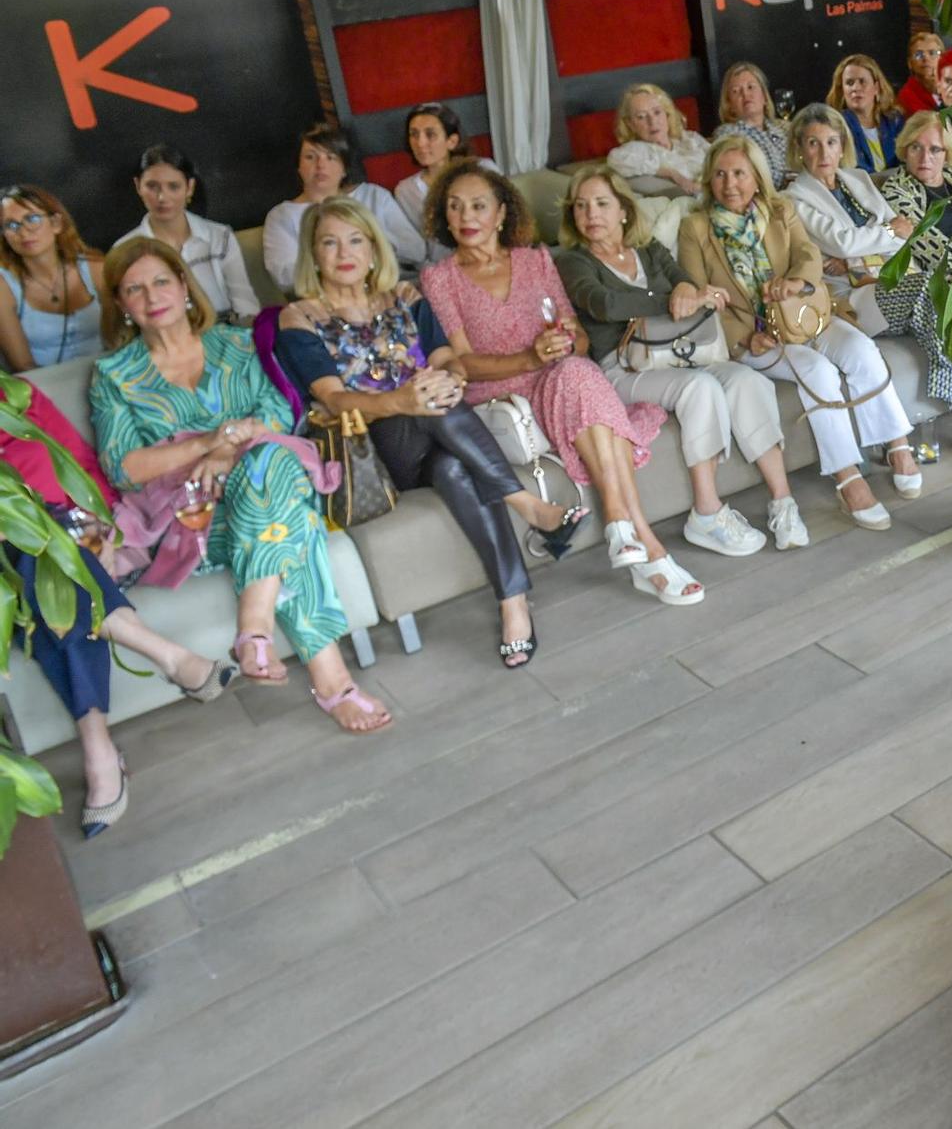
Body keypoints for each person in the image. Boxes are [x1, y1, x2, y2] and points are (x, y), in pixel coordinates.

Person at [90, 238, 390, 734]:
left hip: (261, 482)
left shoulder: (235, 342)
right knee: (293, 520)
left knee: (271, 465)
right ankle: (330, 681)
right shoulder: (114, 375)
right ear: (122, 305)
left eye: (161, 281)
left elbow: (275, 414)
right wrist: (209, 442)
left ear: (185, 286)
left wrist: (230, 450)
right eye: (134, 289)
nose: (151, 296)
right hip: (195, 520)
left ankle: (254, 628)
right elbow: (125, 465)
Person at [277, 199, 587, 667]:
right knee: (425, 399)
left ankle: (514, 604)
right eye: (330, 242)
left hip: (438, 438)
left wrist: (451, 380)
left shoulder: (403, 297)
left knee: (454, 467)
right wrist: (402, 400)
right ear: (313, 254)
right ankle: (526, 504)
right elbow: (335, 400)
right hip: (375, 449)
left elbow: (447, 360)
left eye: (356, 239)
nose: (345, 251)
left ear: (373, 248)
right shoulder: (300, 317)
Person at [418, 162, 703, 606]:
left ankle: (624, 533)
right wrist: (528, 357)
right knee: (585, 390)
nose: (466, 217)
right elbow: (460, 362)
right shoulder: (440, 279)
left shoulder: (536, 261)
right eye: (454, 207)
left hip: (560, 380)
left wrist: (563, 342)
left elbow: (581, 338)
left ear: (501, 214)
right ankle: (645, 542)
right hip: (503, 397)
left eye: (478, 206)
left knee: (576, 372)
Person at [2, 371, 238, 836]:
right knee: (34, 555)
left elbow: (76, 459)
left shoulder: (14, 394)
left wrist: (102, 523)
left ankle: (100, 755)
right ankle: (170, 656)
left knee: (55, 574)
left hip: (64, 530)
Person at [554, 164, 806, 557]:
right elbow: (605, 304)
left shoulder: (648, 248)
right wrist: (674, 300)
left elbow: (684, 279)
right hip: (622, 368)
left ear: (623, 209)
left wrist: (689, 289)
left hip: (677, 354)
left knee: (747, 380)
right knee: (700, 388)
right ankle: (706, 514)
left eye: (602, 203)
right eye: (582, 206)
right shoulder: (573, 261)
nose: (591, 215)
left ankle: (782, 500)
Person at [677, 137, 921, 529]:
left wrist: (797, 282)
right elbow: (700, 292)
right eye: (720, 174)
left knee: (860, 349)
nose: (729, 183)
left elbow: (808, 256)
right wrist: (743, 337)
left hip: (803, 314)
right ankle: (848, 477)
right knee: (818, 372)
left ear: (757, 178)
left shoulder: (780, 210)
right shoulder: (696, 227)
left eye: (739, 173)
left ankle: (897, 445)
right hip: (755, 334)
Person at [873, 113, 952, 454]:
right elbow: (926, 242)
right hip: (942, 278)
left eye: (935, 149)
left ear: (948, 153)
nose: (926, 158)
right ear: (903, 150)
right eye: (916, 148)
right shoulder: (898, 189)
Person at [262, 123, 429, 293]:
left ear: (344, 167)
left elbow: (416, 251)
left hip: (393, 288)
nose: (321, 165)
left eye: (331, 157)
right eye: (310, 157)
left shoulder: (373, 196)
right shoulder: (282, 216)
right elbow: (285, 278)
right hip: (326, 299)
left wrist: (372, 242)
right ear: (298, 166)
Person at [783, 103, 910, 318]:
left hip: (892, 277)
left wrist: (853, 261)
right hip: (852, 293)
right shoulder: (795, 198)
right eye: (813, 143)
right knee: (929, 291)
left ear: (842, 147)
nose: (824, 153)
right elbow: (842, 244)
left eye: (831, 142)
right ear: (800, 148)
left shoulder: (858, 178)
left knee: (942, 293)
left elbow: (904, 234)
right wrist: (886, 233)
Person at [120, 144, 260, 323]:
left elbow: (246, 305)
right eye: (152, 186)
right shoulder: (126, 250)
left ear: (190, 187)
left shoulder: (219, 237)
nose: (162, 197)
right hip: (164, 339)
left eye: (173, 187)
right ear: (138, 186)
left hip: (226, 332)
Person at [0, 185, 104, 370]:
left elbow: (125, 337)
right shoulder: (4, 286)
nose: (23, 232)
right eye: (12, 225)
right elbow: (24, 367)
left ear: (56, 223)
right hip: (42, 386)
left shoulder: (96, 268)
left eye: (31, 219)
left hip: (110, 376)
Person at [393, 102, 494, 230]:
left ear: (452, 141)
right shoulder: (406, 190)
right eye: (414, 134)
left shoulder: (484, 169)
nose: (420, 143)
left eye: (430, 134)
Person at [607, 82, 710, 196]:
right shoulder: (635, 151)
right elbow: (615, 160)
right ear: (630, 124)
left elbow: (720, 157)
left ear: (667, 113)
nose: (652, 121)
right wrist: (672, 174)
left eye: (657, 112)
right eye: (641, 117)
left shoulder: (690, 139)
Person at [715, 60, 794, 190]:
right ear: (730, 106)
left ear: (764, 95)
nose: (745, 95)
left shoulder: (783, 128)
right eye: (736, 91)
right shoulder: (728, 135)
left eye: (751, 87)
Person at [826, 54, 904, 173]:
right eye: (849, 83)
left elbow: (907, 161)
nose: (856, 88)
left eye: (862, 82)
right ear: (842, 90)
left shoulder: (895, 120)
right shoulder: (836, 126)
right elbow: (855, 171)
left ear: (876, 88)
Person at [897, 31, 948, 115]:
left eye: (932, 53)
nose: (926, 58)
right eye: (918, 54)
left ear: (943, 58)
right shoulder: (906, 97)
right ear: (910, 63)